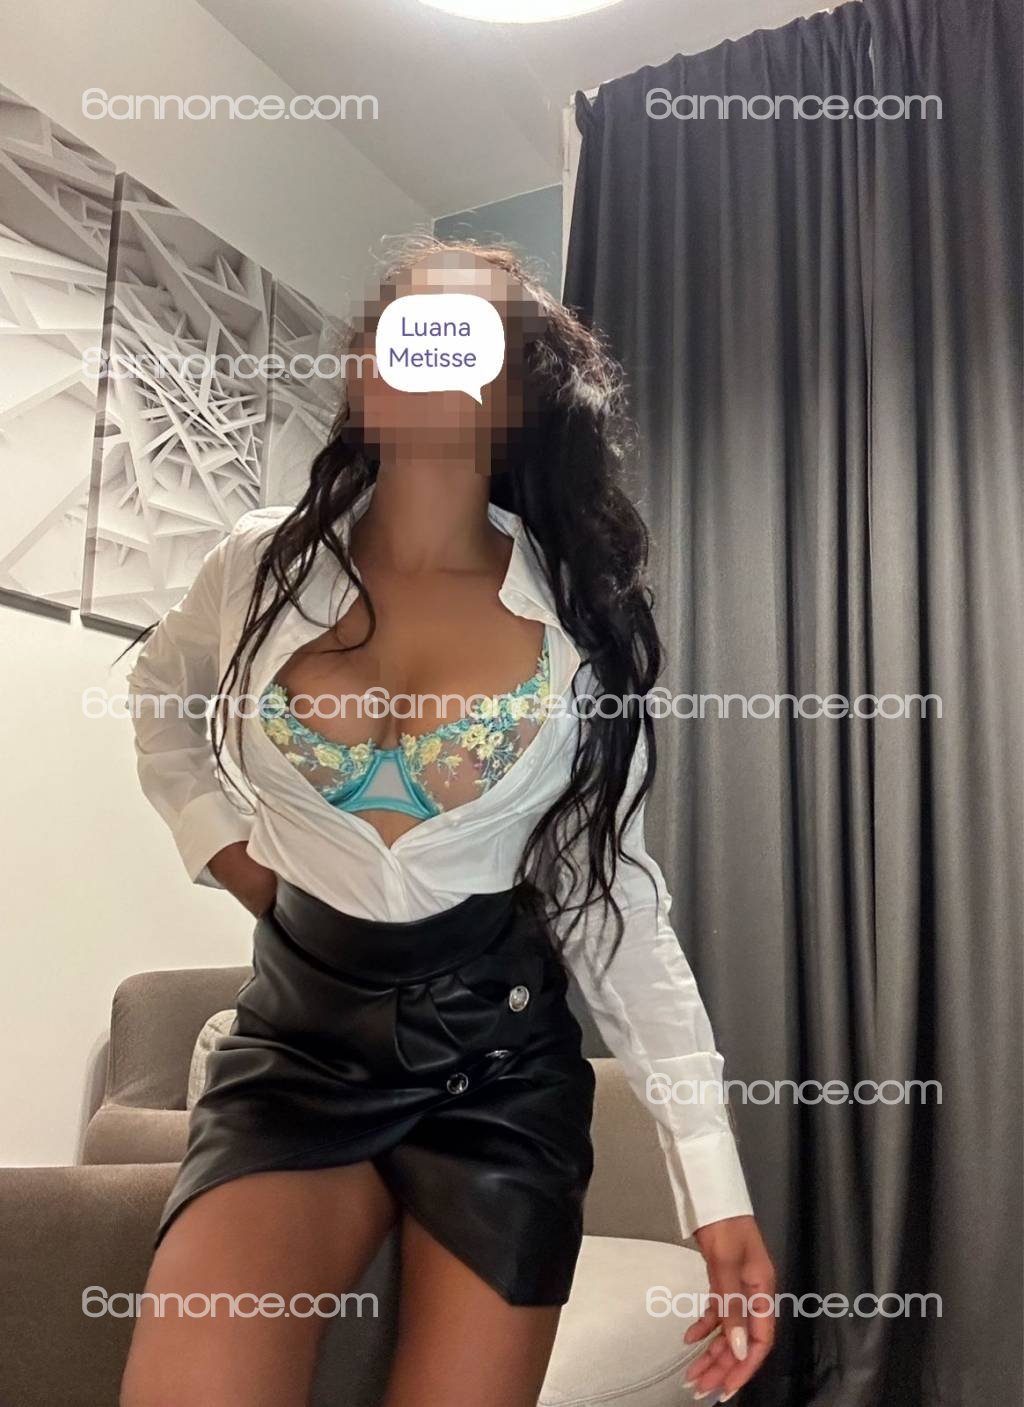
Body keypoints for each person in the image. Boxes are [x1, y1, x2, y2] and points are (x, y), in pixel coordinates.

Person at [119, 239, 776, 1407]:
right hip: (294, 1050)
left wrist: (710, 1182)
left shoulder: (579, 629)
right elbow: (160, 698)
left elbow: (614, 905)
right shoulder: (257, 566)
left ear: (519, 393)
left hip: (498, 1069)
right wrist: (226, 852)